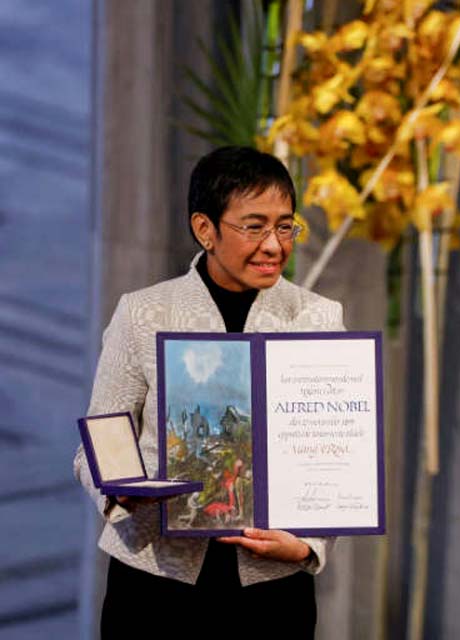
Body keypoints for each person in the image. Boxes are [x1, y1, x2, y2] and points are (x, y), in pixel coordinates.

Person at [74, 146, 343, 638]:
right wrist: (121, 492)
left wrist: (307, 546)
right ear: (206, 229)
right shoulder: (144, 313)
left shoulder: (318, 317)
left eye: (285, 226)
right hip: (155, 576)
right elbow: (100, 439)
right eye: (254, 226)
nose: (274, 245)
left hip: (271, 585)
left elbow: (334, 452)